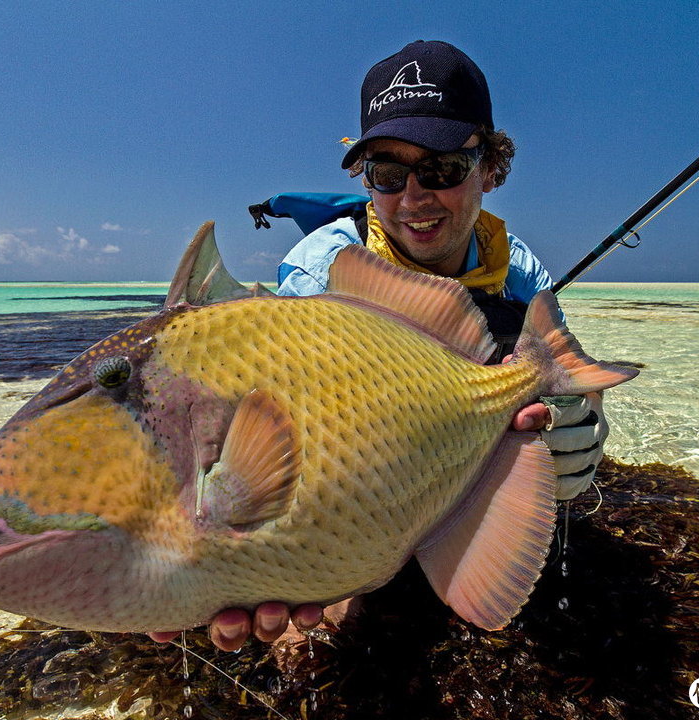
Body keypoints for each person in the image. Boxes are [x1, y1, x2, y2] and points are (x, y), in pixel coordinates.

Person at [152, 40, 610, 652]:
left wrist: (581, 428)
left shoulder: (520, 273)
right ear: (366, 180)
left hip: (461, 446)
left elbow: (559, 369)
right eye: (388, 175)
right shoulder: (320, 272)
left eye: (442, 168)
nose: (413, 198)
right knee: (306, 639)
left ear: (490, 170)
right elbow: (280, 418)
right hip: (360, 467)